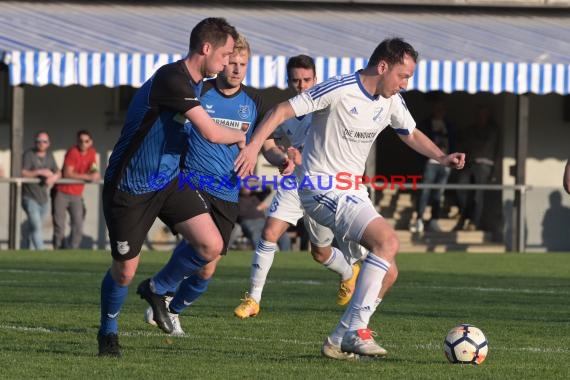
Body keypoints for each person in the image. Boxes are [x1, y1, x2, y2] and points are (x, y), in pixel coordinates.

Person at [235, 38, 465, 358]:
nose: (405, 84)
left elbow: (409, 132)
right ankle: (356, 330)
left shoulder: (391, 100)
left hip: (353, 190)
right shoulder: (338, 88)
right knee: (388, 243)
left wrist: (441, 157)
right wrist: (252, 146)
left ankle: (338, 338)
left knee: (389, 271)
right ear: (383, 67)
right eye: (403, 75)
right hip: (321, 187)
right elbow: (280, 110)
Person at [97, 17, 246, 357]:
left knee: (211, 246)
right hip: (130, 187)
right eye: (224, 55)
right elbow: (210, 132)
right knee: (124, 271)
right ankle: (108, 332)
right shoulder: (172, 78)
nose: (227, 63)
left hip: (167, 182)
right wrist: (241, 137)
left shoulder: (194, 84)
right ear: (206, 49)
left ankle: (157, 288)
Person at [139, 34, 294, 337]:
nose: (237, 69)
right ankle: (161, 291)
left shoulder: (254, 103)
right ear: (221, 63)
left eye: (243, 64)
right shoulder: (200, 92)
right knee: (204, 246)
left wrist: (280, 159)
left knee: (208, 266)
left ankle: (169, 308)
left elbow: (268, 145)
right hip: (190, 183)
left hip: (227, 191)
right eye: (232, 62)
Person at [233, 56, 362, 335]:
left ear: (315, 79)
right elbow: (267, 140)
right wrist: (282, 159)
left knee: (319, 252)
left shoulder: (330, 104)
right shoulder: (288, 110)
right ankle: (253, 299)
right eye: (295, 80)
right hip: (294, 181)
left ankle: (349, 272)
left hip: (325, 183)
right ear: (289, 81)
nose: (301, 86)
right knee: (269, 232)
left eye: (306, 80)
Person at [410, 96, 456, 233]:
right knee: (425, 190)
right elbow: (417, 141)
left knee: (439, 193)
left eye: (443, 108)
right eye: (438, 107)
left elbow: (453, 142)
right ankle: (419, 218)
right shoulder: (426, 124)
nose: (440, 110)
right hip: (430, 162)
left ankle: (434, 219)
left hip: (445, 163)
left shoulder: (449, 125)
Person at [52, 130, 100, 249]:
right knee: (59, 225)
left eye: (86, 141)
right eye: (80, 141)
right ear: (77, 142)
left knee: (78, 224)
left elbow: (93, 168)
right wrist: (88, 177)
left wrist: (95, 174)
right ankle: (58, 249)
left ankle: (73, 250)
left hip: (77, 194)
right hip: (61, 192)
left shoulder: (92, 152)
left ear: (90, 142)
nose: (83, 143)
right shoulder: (73, 151)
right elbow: (68, 173)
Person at [453, 105, 499, 231]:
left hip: (484, 165)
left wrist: (473, 146)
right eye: (479, 114)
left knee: (478, 195)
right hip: (470, 163)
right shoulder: (471, 129)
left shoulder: (491, 130)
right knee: (460, 187)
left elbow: (483, 147)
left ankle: (474, 222)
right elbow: (465, 143)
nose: (480, 117)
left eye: (483, 114)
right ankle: (465, 214)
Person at [21, 131, 60, 250]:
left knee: (34, 227)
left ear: (48, 143)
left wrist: (54, 177)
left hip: (44, 198)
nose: (41, 143)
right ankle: (41, 251)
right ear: (35, 142)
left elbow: (58, 171)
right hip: (29, 197)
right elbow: (23, 172)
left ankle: (30, 252)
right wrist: (40, 172)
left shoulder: (50, 156)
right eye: (38, 141)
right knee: (36, 226)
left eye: (44, 141)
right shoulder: (29, 154)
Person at [236, 183, 291, 250]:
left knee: (283, 235)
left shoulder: (255, 196)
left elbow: (269, 190)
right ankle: (261, 255)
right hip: (249, 222)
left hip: (263, 220)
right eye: (245, 186)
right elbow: (241, 214)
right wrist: (257, 209)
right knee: (256, 235)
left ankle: (286, 255)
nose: (247, 188)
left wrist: (259, 185)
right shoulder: (238, 199)